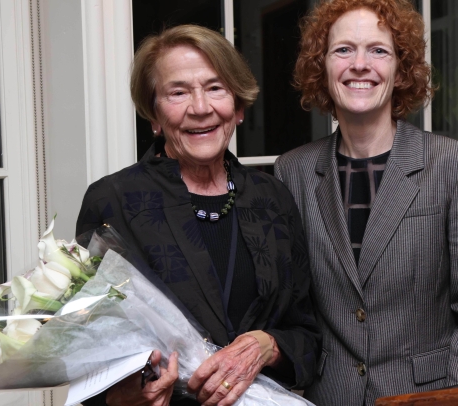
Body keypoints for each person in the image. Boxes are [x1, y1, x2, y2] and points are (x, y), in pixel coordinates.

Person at [274, 0, 458, 404]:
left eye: (378, 50)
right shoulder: (292, 171)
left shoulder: (457, 167)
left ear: (402, 68)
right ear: (322, 65)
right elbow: (292, 311)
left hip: (427, 398)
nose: (360, 64)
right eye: (343, 49)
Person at [76, 25, 319, 406]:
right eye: (178, 92)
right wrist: (123, 399)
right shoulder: (114, 201)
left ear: (237, 107)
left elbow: (308, 334)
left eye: (215, 87)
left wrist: (268, 345)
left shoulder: (272, 198)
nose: (201, 107)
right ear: (154, 114)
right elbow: (85, 350)